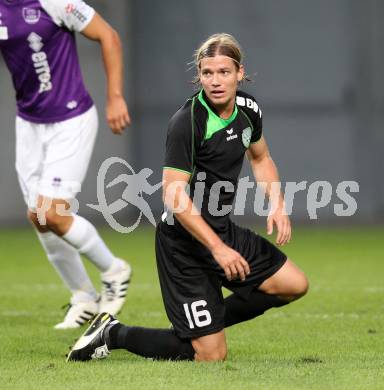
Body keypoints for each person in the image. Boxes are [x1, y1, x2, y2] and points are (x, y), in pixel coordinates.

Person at [67, 33, 308, 362]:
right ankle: (113, 333)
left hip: (220, 231)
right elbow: (174, 193)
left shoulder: (249, 110)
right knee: (210, 355)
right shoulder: (188, 121)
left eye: (224, 72)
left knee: (293, 284)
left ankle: (202, 326)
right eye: (207, 73)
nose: (216, 81)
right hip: (183, 245)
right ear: (199, 75)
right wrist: (218, 249)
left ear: (240, 72)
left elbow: (261, 158)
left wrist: (277, 203)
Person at [0, 0, 132, 329]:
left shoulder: (54, 2)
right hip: (29, 124)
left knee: (52, 212)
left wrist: (115, 96)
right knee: (39, 217)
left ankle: (115, 271)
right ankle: (83, 296)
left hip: (71, 120)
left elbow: (109, 36)